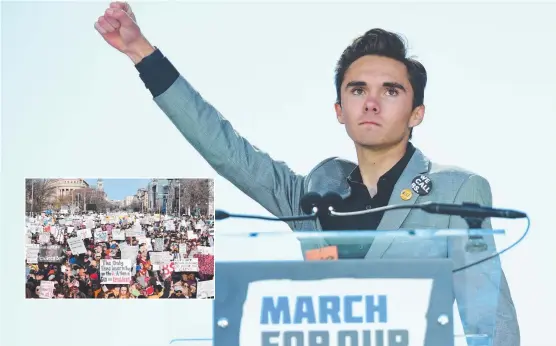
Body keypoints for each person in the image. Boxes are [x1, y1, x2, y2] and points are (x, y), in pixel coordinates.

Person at [94, 2, 519, 344]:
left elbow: (491, 321)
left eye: (391, 90)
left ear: (417, 113)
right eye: (358, 90)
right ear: (340, 110)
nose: (371, 103)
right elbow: (226, 150)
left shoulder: (457, 190)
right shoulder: (313, 200)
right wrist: (142, 54)